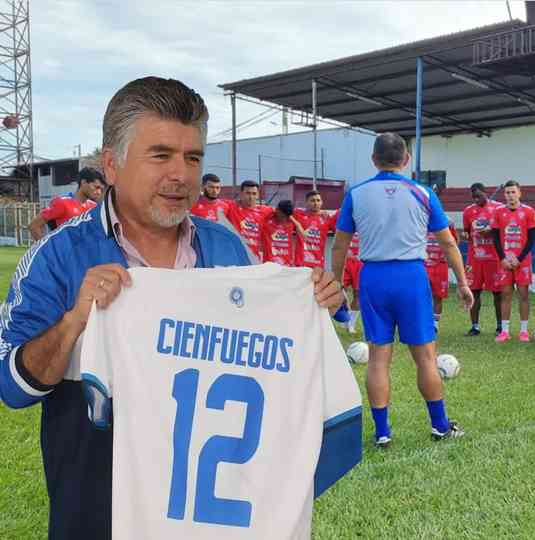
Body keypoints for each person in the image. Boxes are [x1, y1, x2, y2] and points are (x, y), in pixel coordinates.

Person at [0, 76, 345, 539]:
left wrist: (311, 302)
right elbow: (13, 387)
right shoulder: (58, 257)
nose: (181, 174)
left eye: (193, 157)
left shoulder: (228, 250)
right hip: (97, 516)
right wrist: (73, 323)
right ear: (112, 165)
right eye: (160, 155)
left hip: (212, 519)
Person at [332, 132, 472, 448]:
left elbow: (340, 244)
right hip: (411, 277)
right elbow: (448, 241)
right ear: (406, 160)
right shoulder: (423, 192)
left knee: (378, 358)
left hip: (374, 278)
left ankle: (382, 433)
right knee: (425, 357)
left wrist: (338, 283)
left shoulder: (357, 193)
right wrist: (462, 282)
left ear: (373, 159)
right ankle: (439, 427)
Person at [491, 180, 535, 342]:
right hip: (504, 262)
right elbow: (495, 238)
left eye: (513, 192)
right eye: (507, 192)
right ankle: (505, 331)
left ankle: (524, 331)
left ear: (519, 193)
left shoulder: (529, 211)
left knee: (523, 295)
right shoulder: (498, 212)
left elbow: (532, 240)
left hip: (522, 262)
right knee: (506, 295)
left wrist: (519, 259)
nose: (510, 195)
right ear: (504, 195)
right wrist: (502, 258)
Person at [462, 182, 503, 336]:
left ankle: (500, 326)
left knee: (497, 293)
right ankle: (475, 326)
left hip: (494, 258)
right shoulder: (468, 211)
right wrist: (465, 235)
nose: (476, 199)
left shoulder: (498, 208)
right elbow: (466, 231)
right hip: (475, 259)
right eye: (473, 197)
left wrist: (491, 232)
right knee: (474, 292)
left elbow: (503, 231)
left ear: (485, 192)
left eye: (478, 196)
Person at [29, 167, 105, 240]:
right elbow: (34, 226)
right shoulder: (62, 203)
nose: (99, 192)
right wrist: (49, 250)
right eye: (96, 187)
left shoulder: (94, 207)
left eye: (101, 189)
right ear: (83, 182)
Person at [227, 180, 273, 261]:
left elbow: (284, 212)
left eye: (254, 194)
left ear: (258, 195)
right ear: (241, 194)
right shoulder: (231, 206)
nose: (251, 197)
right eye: (247, 193)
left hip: (254, 259)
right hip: (235, 258)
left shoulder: (265, 211)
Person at [426, 223, 459, 332]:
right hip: (424, 264)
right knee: (420, 295)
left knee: (438, 296)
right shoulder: (419, 219)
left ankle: (435, 324)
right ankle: (423, 322)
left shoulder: (445, 222)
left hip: (440, 265)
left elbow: (455, 242)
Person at [295, 190, 334, 269]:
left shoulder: (327, 218)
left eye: (318, 200)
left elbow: (340, 231)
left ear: (322, 202)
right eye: (312, 201)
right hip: (301, 263)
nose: (316, 203)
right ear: (306, 202)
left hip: (318, 264)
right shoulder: (298, 215)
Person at [260, 199, 303, 266]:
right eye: (282, 216)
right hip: (269, 265)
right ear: (277, 210)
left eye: (286, 217)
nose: (284, 219)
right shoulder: (267, 219)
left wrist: (297, 224)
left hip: (287, 265)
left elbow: (303, 235)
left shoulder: (290, 222)